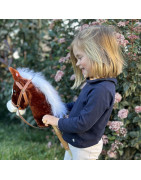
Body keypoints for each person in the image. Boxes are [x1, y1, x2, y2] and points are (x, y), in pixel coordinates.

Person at [42, 25, 125, 160]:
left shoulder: (102, 90)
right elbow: (80, 106)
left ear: (97, 54)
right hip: (77, 144)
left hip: (85, 149)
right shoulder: (94, 83)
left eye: (80, 58)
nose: (78, 64)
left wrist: (56, 121)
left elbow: (82, 124)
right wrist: (58, 108)